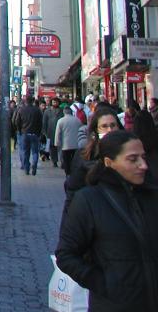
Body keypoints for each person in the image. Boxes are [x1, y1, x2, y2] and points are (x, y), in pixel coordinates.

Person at [56, 131, 158, 311]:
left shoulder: (152, 195)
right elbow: (66, 255)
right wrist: (104, 283)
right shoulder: (89, 200)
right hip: (115, 305)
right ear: (109, 163)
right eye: (133, 159)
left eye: (143, 157)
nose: (143, 165)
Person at [61, 105, 123, 227]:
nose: (109, 130)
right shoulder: (84, 156)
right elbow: (72, 194)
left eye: (113, 125)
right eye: (104, 126)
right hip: (94, 221)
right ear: (96, 131)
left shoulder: (129, 152)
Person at [15, 95, 42, 175]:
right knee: (35, 152)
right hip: (34, 134)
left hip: (24, 133)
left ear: (25, 101)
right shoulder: (37, 110)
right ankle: (34, 165)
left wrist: (19, 130)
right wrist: (38, 132)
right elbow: (40, 123)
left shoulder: (21, 110)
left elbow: (17, 122)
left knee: (25, 152)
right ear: (33, 101)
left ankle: (27, 168)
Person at [55, 103, 83, 177]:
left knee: (66, 160)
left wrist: (57, 143)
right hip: (76, 144)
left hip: (65, 145)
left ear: (64, 112)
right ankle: (74, 172)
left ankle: (68, 173)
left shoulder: (60, 121)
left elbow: (58, 133)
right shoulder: (77, 120)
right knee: (74, 159)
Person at [43, 97, 62, 168]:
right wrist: (44, 132)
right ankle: (54, 161)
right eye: (54, 102)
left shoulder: (61, 111)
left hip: (60, 132)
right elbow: (44, 122)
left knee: (60, 147)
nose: (55, 103)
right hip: (50, 132)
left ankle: (62, 161)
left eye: (56, 102)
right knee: (52, 147)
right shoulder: (47, 111)